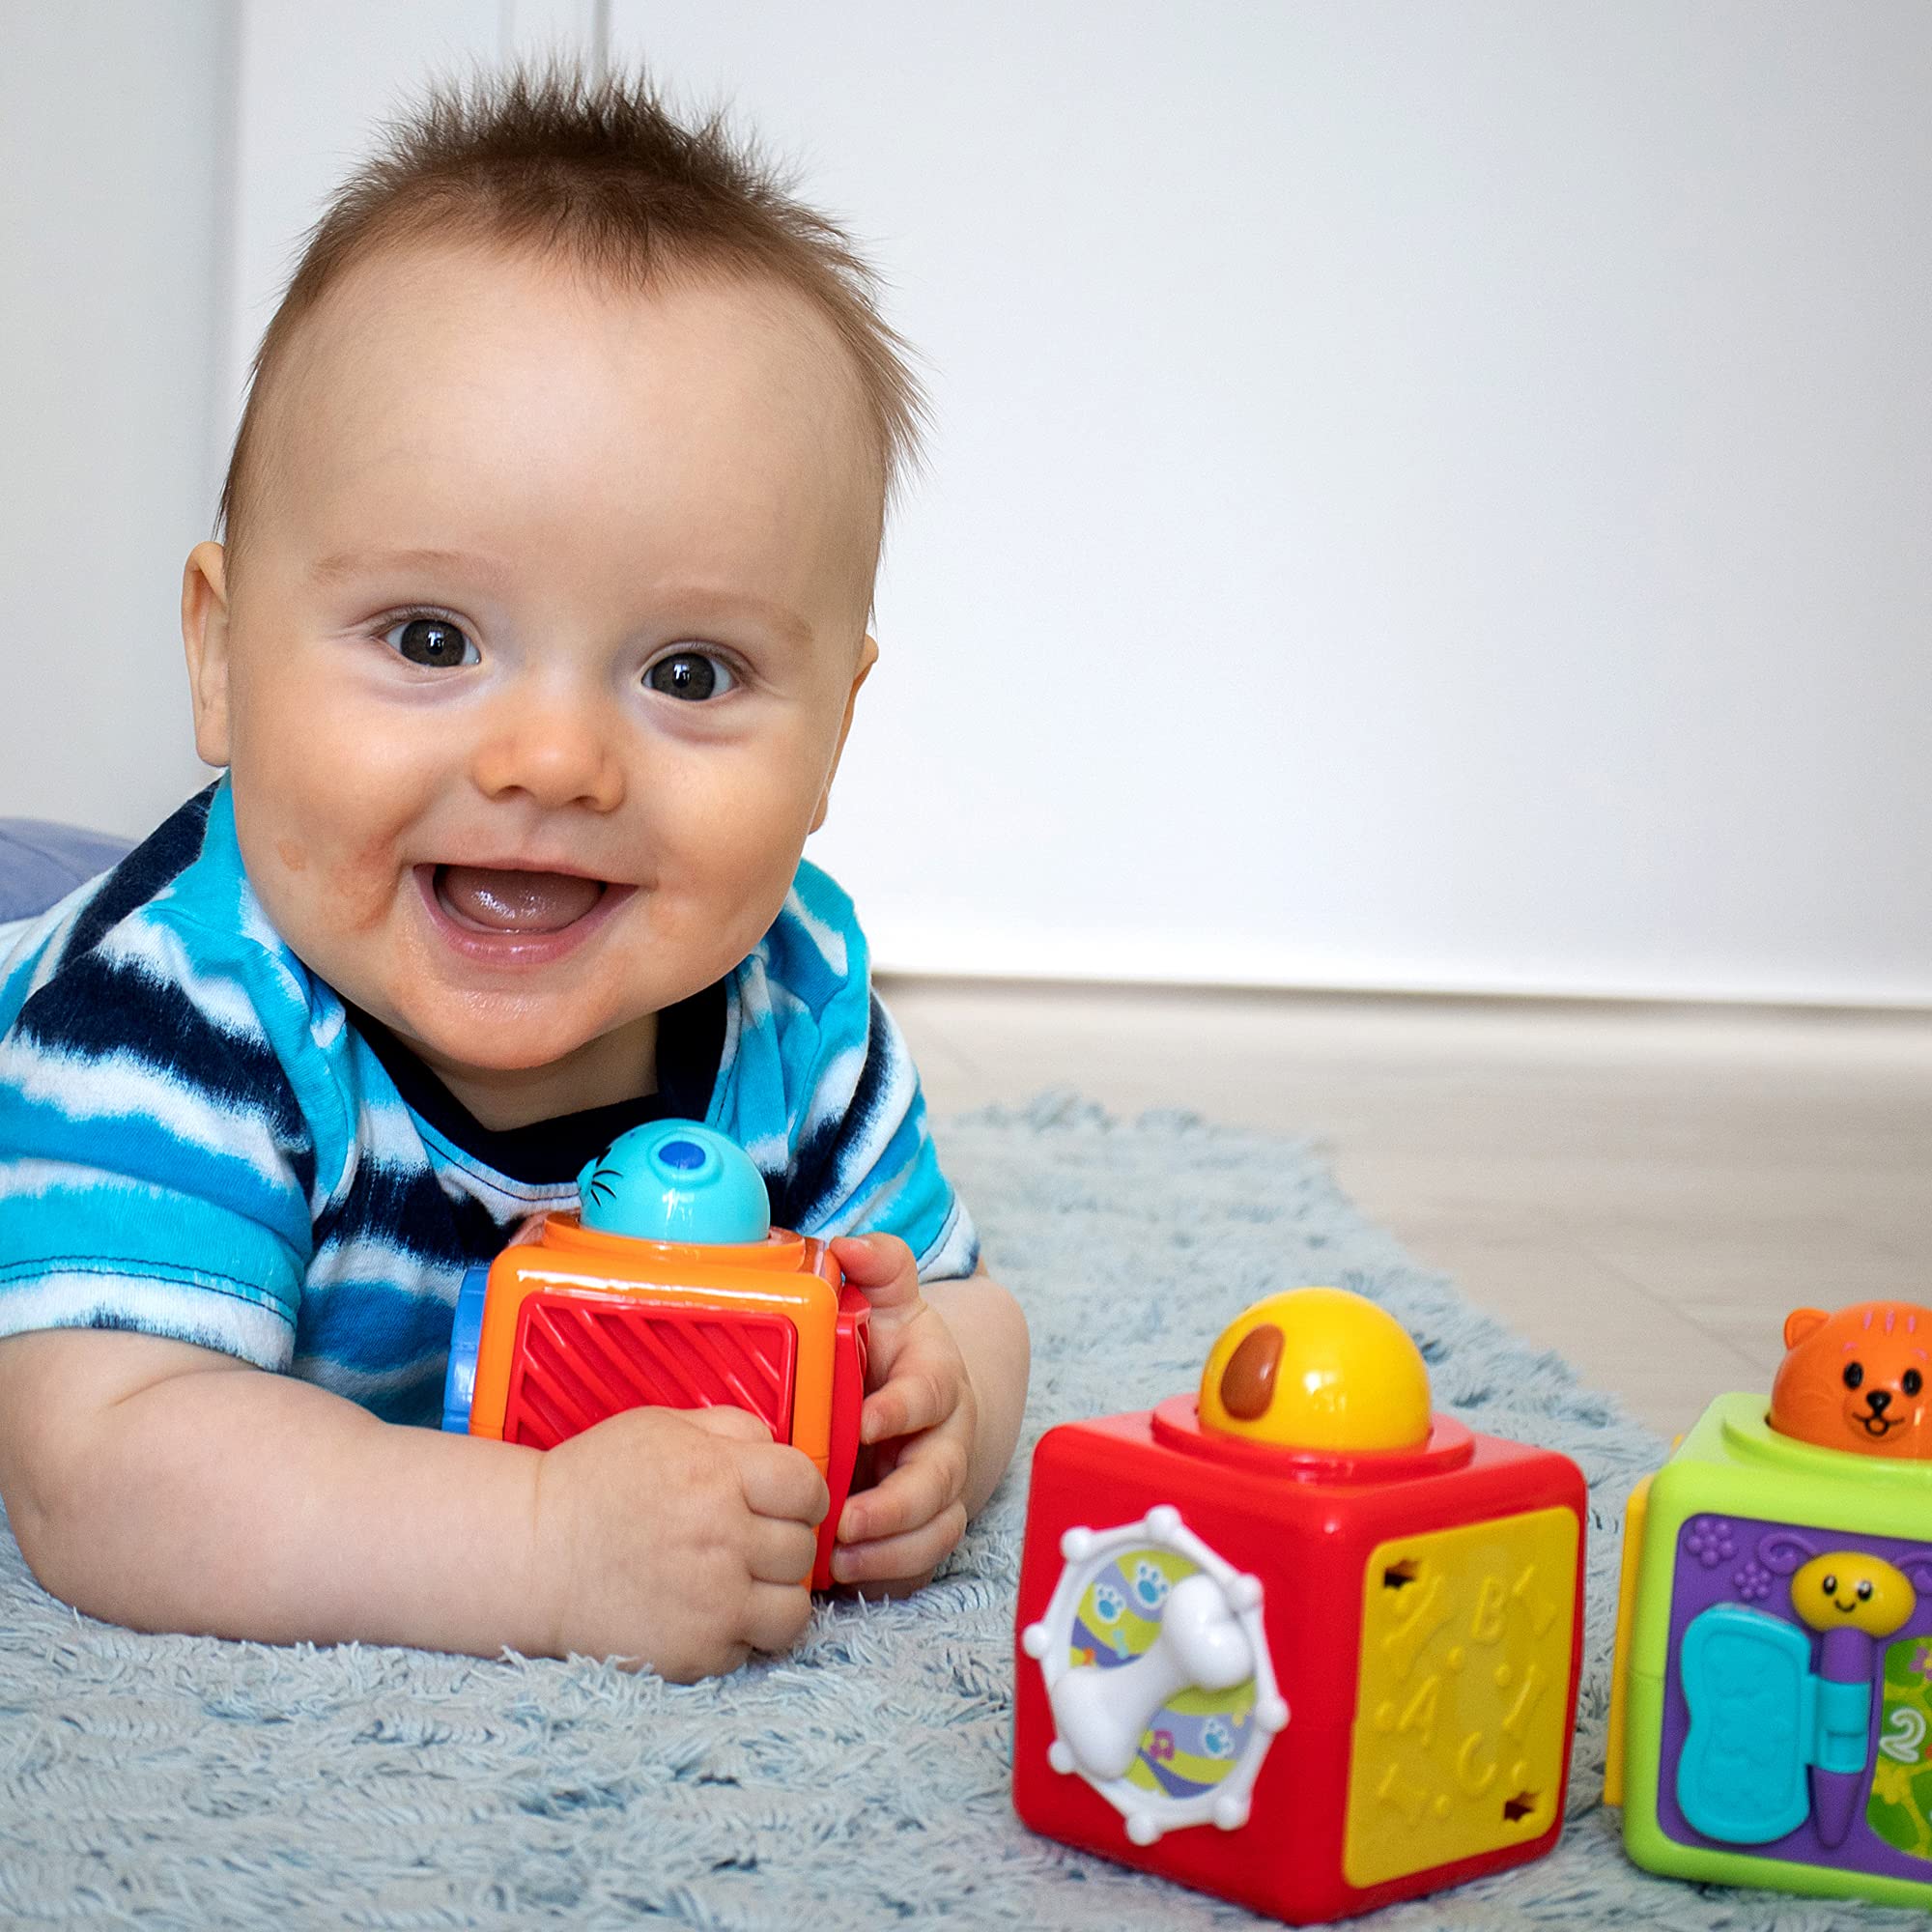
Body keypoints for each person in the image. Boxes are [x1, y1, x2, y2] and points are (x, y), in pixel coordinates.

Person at [0, 67, 1029, 1683]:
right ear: (221, 661)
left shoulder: (793, 995)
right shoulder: (171, 1017)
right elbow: (100, 1468)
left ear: (833, 736)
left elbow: (966, 1304)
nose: (552, 761)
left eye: (688, 674)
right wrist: (540, 1546)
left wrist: (934, 1414)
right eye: (431, 640)